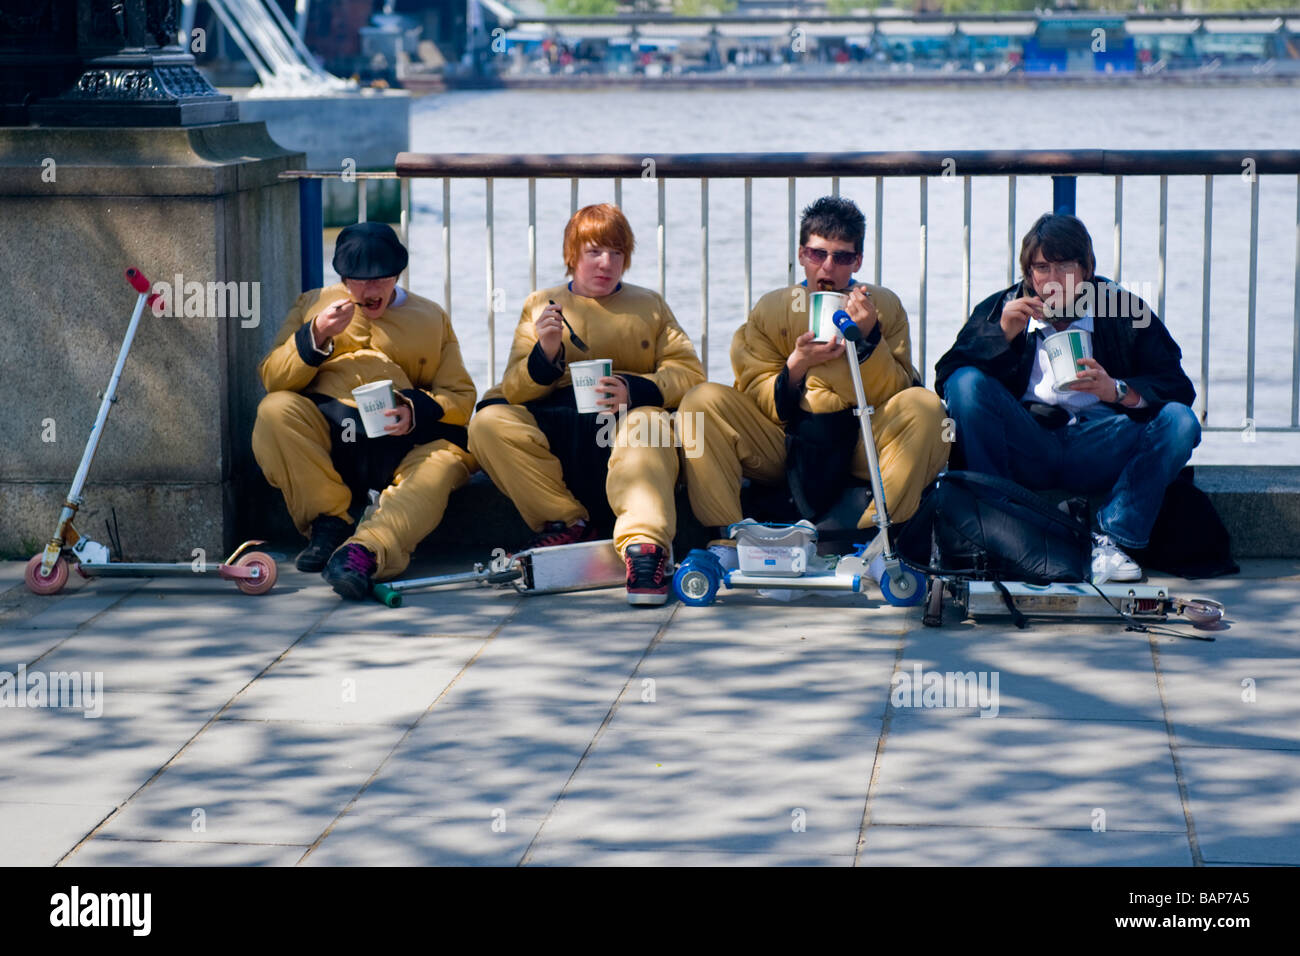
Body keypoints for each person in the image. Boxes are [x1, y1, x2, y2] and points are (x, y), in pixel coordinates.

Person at [933, 212, 1200, 583]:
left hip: (1099, 441)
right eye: (1042, 267)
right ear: (1029, 274)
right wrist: (1000, 337)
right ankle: (997, 520)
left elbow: (1178, 388)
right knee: (967, 382)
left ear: (1088, 268)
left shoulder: (1123, 310)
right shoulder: (1004, 308)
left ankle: (1112, 539)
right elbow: (949, 379)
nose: (1054, 280)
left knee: (1180, 422)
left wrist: (1118, 391)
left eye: (1065, 266)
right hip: (1029, 441)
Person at [679, 196, 950, 549]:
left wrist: (868, 339)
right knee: (702, 401)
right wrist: (796, 366)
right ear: (801, 255)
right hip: (786, 443)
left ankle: (877, 536)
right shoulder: (773, 308)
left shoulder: (883, 306)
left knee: (926, 407)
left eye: (842, 257)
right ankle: (728, 537)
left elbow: (899, 391)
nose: (828, 267)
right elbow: (754, 393)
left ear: (858, 261)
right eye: (817, 254)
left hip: (861, 440)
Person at [468, 204, 704, 606]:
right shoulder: (542, 304)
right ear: (572, 254)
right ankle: (565, 521)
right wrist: (546, 351)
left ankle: (645, 549)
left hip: (626, 432)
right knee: (488, 423)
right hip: (558, 428)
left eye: (616, 252)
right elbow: (515, 388)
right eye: (594, 251)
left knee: (648, 422)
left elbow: (690, 374)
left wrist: (635, 389)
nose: (606, 263)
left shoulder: (650, 305)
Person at [252, 222, 477, 599]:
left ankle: (365, 552)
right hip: (331, 431)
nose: (369, 291)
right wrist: (316, 335)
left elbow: (461, 396)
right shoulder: (313, 304)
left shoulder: (430, 317)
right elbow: (273, 377)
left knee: (447, 461)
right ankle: (329, 523)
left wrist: (414, 410)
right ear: (342, 277)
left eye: (381, 279)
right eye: (358, 280)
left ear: (397, 275)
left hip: (402, 439)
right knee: (275, 410)